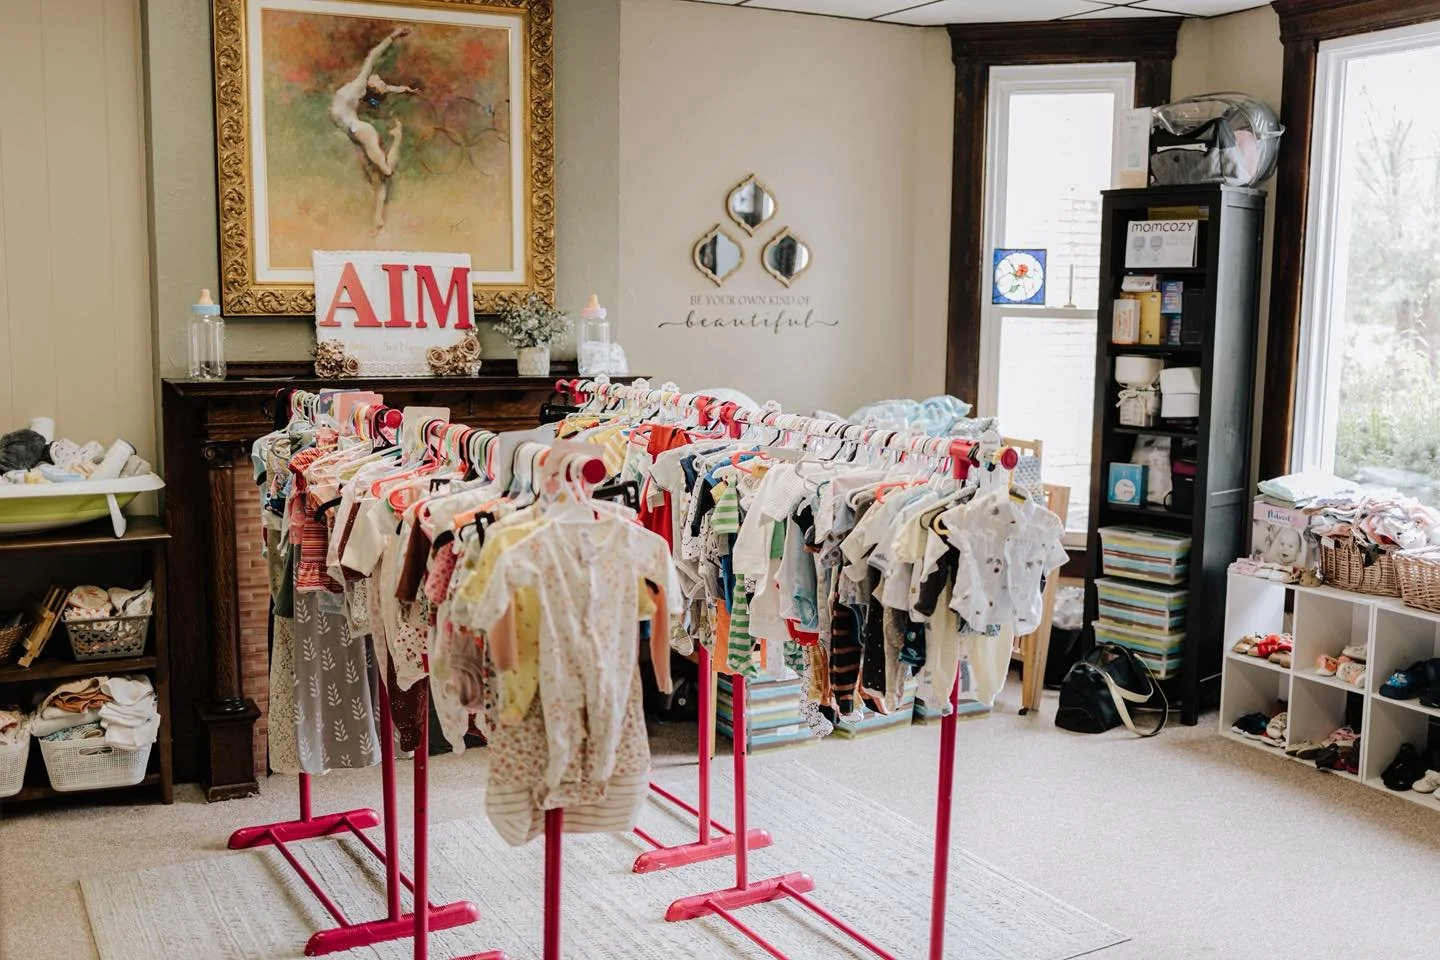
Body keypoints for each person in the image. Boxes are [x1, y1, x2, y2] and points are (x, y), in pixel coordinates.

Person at [329, 26, 421, 235]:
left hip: (360, 130)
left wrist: (393, 36)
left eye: (378, 80)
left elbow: (373, 55)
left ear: (372, 85)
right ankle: (378, 219)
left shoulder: (362, 84)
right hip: (355, 132)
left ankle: (397, 138)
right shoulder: (363, 92)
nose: (378, 77)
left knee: (386, 171)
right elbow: (386, 89)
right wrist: (404, 89)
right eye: (380, 79)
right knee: (377, 179)